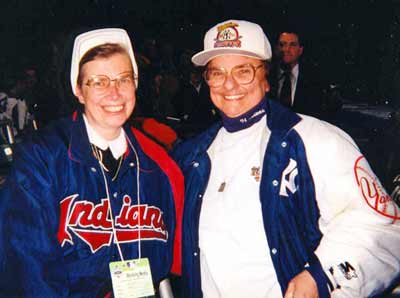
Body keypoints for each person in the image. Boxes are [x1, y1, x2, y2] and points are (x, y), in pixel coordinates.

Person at [172, 19, 400, 298]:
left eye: (243, 71)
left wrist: (322, 277)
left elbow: (384, 229)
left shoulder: (315, 139)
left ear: (266, 78)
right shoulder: (190, 156)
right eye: (217, 73)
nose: (229, 84)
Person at [0, 28, 183, 297]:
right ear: (79, 90)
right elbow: (27, 267)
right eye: (98, 82)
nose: (114, 93)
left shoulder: (158, 165)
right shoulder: (43, 158)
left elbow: (168, 261)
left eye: (123, 79)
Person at [269, 29, 326, 118]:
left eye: (292, 45)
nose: (286, 49)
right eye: (282, 44)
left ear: (300, 50)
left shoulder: (314, 79)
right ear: (276, 48)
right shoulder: (266, 76)